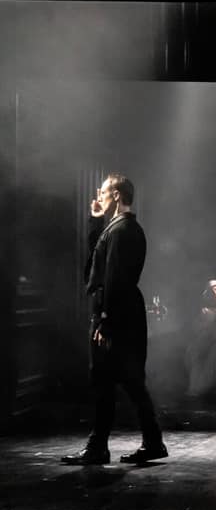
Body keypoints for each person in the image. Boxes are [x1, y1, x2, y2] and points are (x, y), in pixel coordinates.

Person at [62, 173, 168, 465]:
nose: (99, 195)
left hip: (116, 312)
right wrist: (96, 222)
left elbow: (114, 277)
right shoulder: (119, 228)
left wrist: (106, 319)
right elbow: (97, 267)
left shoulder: (123, 230)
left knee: (107, 380)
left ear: (117, 195)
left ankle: (100, 447)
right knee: (126, 380)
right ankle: (149, 441)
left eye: (103, 191)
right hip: (121, 311)